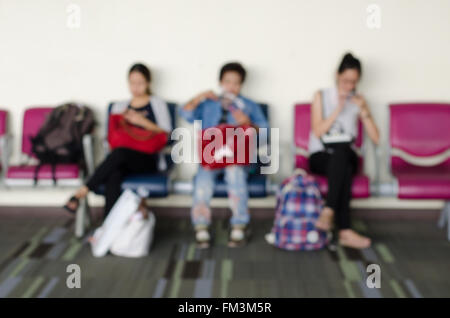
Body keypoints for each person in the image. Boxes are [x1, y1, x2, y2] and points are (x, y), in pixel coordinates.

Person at [63, 63, 172, 217]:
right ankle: (109, 225)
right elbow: (111, 139)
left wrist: (142, 122)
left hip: (148, 159)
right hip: (122, 159)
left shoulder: (157, 104)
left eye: (140, 83)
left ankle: (83, 191)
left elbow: (168, 135)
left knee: (120, 154)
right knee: (114, 173)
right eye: (132, 83)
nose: (136, 87)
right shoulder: (119, 107)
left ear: (148, 83)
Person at [179, 62, 269, 248]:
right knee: (203, 179)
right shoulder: (208, 103)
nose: (231, 86)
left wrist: (248, 123)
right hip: (211, 157)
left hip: (236, 157)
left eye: (236, 83)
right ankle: (201, 225)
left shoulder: (249, 106)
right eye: (227, 81)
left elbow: (265, 134)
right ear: (220, 82)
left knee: (234, 173)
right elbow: (185, 113)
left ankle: (240, 224)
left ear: (242, 84)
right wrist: (201, 96)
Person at [308, 53, 380, 249]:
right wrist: (338, 109)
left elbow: (376, 138)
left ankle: (329, 210)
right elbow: (318, 131)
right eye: (345, 80)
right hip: (320, 155)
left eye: (353, 82)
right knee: (342, 166)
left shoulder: (358, 101)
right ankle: (345, 230)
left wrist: (364, 110)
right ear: (337, 75)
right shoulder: (321, 95)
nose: (349, 85)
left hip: (346, 153)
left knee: (342, 155)